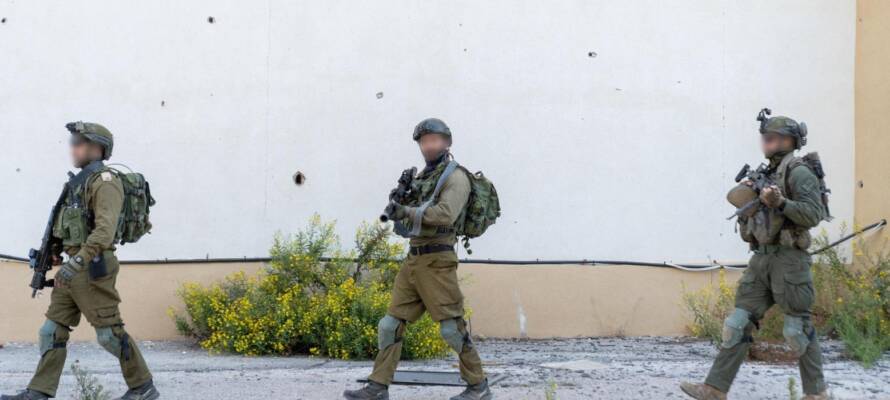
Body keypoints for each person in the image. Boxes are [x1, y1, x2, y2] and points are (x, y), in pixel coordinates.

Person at [2, 122, 159, 400]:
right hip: (72, 269)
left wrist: (77, 262)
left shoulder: (106, 183)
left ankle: (142, 386)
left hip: (93, 267)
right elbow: (69, 227)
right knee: (51, 331)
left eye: (79, 142)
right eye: (72, 141)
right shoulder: (77, 183)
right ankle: (39, 391)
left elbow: (104, 231)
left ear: (98, 148)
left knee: (109, 334)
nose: (72, 147)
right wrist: (53, 252)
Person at [681, 109, 830, 400]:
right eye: (765, 138)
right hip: (761, 259)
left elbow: (814, 214)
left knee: (796, 329)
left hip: (789, 260)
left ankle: (817, 394)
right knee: (737, 324)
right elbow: (740, 202)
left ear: (790, 141)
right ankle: (714, 389)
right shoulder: (767, 173)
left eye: (774, 138)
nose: (767, 143)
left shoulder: (799, 172)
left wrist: (781, 203)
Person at [344, 118, 492, 400]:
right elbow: (410, 223)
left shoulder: (456, 177)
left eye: (435, 140)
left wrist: (405, 211)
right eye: (424, 141)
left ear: (447, 142)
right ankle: (378, 386)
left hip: (438, 261)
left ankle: (478, 386)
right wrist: (402, 205)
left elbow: (445, 215)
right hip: (414, 260)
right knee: (390, 325)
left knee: (451, 328)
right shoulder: (422, 179)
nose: (429, 146)